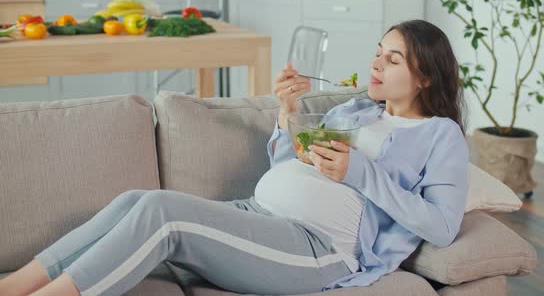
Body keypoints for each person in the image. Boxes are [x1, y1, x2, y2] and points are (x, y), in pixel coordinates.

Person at [0, 19, 468, 296]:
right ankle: (13, 285)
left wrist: (360, 171)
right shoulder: (355, 109)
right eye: (377, 54)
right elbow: (290, 167)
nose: (375, 65)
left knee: (165, 214)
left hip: (319, 249)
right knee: (138, 199)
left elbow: (442, 227)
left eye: (391, 59)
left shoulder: (438, 136)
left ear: (425, 76)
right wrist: (288, 113)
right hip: (260, 214)